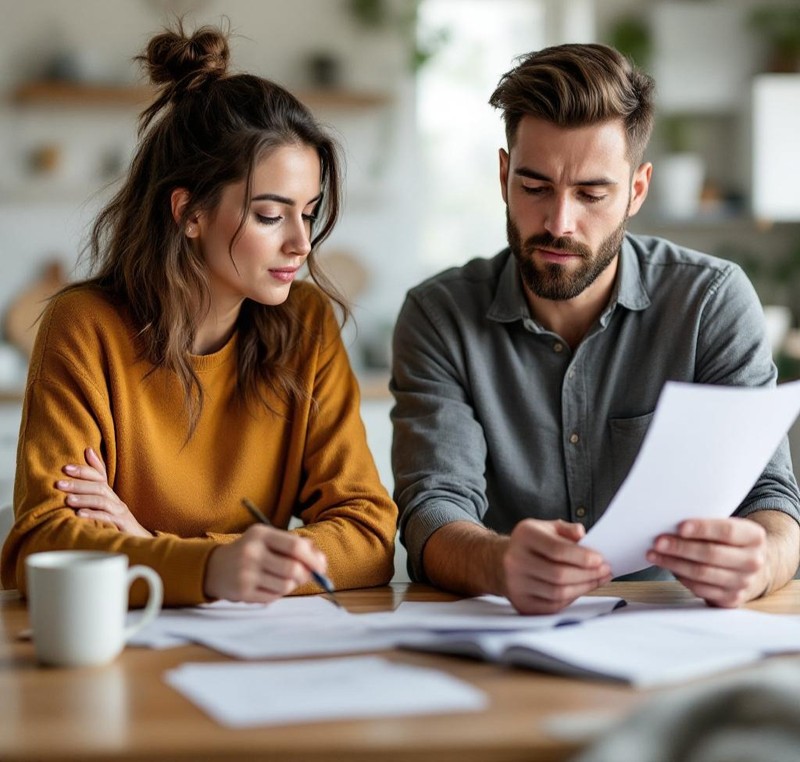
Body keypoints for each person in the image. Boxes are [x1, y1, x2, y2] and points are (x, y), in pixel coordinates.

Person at [390, 43, 800, 615]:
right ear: (504, 175)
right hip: (506, 629)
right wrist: (497, 561)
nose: (559, 223)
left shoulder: (709, 302)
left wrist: (762, 560)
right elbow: (433, 506)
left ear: (637, 190)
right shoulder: (439, 316)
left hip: (673, 625)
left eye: (591, 194)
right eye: (534, 188)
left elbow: (770, 494)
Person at [1, 22, 397, 607]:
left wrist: (154, 547)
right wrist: (214, 566)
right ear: (189, 213)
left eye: (308, 213)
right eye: (270, 215)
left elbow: (368, 535)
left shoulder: (307, 325)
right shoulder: (83, 327)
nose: (301, 244)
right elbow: (42, 546)